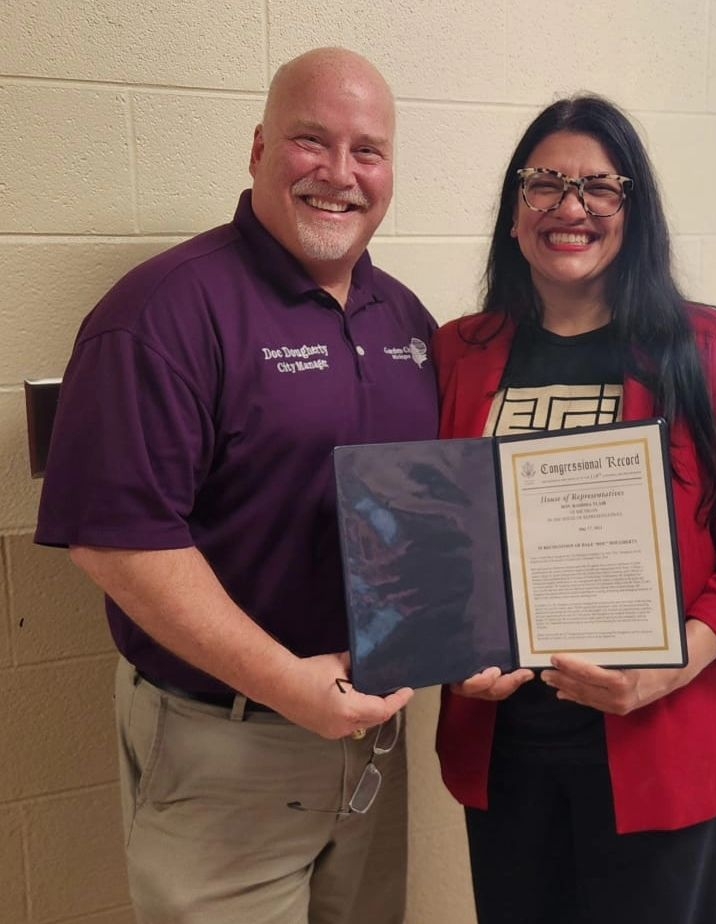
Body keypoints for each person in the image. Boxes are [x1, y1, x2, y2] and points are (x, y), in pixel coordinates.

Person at [34, 47, 438, 924]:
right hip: (227, 745)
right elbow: (118, 541)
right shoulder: (161, 314)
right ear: (258, 148)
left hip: (376, 739)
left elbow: (435, 512)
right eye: (309, 141)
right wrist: (290, 683)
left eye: (367, 150)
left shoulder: (408, 321)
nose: (339, 174)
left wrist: (474, 637)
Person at [432, 95, 716, 924]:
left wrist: (665, 669)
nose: (571, 208)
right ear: (513, 208)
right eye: (545, 184)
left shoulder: (710, 348)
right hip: (507, 753)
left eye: (600, 187)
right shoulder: (459, 351)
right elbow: (434, 541)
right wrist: (446, 647)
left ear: (633, 212)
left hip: (660, 745)